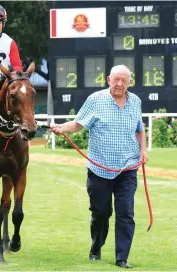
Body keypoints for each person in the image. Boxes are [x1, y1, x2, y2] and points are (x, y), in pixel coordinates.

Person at [49, 65, 148, 269]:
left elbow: (139, 129)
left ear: (130, 82)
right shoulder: (95, 100)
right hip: (99, 169)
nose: (120, 84)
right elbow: (77, 124)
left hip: (128, 168)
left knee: (126, 212)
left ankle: (122, 257)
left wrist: (143, 151)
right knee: (101, 212)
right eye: (116, 79)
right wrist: (61, 128)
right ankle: (96, 247)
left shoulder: (135, 102)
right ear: (108, 79)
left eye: (124, 80)